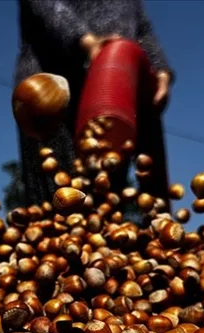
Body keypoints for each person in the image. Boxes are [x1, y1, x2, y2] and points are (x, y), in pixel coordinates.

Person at [15, 0, 175, 208]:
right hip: (55, 90)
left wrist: (160, 68)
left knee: (106, 201)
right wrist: (86, 41)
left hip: (117, 93)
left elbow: (142, 27)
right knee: (58, 203)